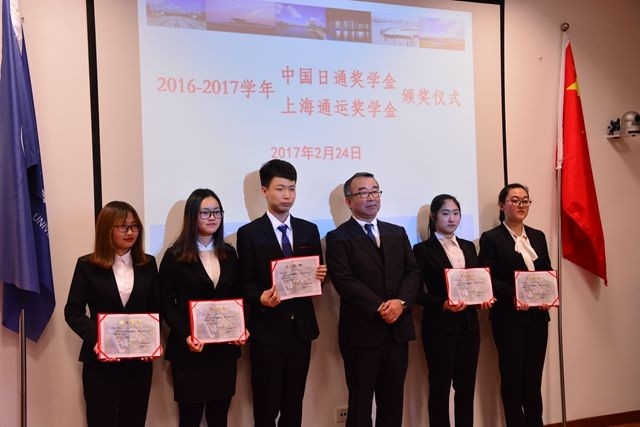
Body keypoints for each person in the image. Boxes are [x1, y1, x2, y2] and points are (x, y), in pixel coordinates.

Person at [236, 159, 327, 427]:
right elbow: (244, 282)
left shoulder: (309, 229)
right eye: (280, 189)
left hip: (301, 330)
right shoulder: (249, 233)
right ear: (264, 191)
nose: (287, 195)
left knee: (293, 403)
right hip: (268, 330)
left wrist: (321, 277)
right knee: (266, 405)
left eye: (292, 188)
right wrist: (260, 298)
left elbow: (317, 275)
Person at [325, 172, 420, 427]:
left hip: (397, 331)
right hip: (362, 333)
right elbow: (344, 280)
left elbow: (413, 272)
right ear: (348, 201)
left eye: (375, 191)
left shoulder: (396, 232)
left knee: (392, 404)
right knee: (360, 405)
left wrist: (400, 303)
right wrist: (379, 307)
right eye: (363, 192)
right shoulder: (337, 237)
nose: (371, 197)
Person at [64, 201, 159, 427]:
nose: (130, 232)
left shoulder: (148, 263)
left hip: (138, 363)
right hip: (100, 363)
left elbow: (155, 309)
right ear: (107, 229)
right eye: (123, 226)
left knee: (134, 420)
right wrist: (98, 340)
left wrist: (151, 341)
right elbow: (73, 311)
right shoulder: (87, 265)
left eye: (134, 226)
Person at [159, 188, 247, 427]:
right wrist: (186, 335)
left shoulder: (229, 253)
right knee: (190, 418)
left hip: (224, 351)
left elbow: (238, 297)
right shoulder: (175, 256)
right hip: (190, 351)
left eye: (217, 212)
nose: (212, 217)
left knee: (219, 417)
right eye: (205, 212)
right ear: (192, 216)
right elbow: (166, 303)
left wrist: (241, 327)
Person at [412, 194, 492, 427]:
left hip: (469, 326)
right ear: (433, 217)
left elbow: (477, 282)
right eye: (445, 213)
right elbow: (415, 293)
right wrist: (442, 304)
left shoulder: (468, 246)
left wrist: (483, 299)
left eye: (456, 213)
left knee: (466, 388)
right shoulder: (422, 250)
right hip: (439, 327)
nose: (452, 218)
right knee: (440, 388)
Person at [478, 183, 552, 427]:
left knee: (533, 378)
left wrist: (547, 295)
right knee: (512, 379)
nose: (521, 205)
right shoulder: (491, 238)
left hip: (538, 318)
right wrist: (517, 295)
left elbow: (547, 272)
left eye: (525, 200)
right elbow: (488, 277)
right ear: (502, 205)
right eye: (515, 200)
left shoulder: (538, 236)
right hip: (509, 319)